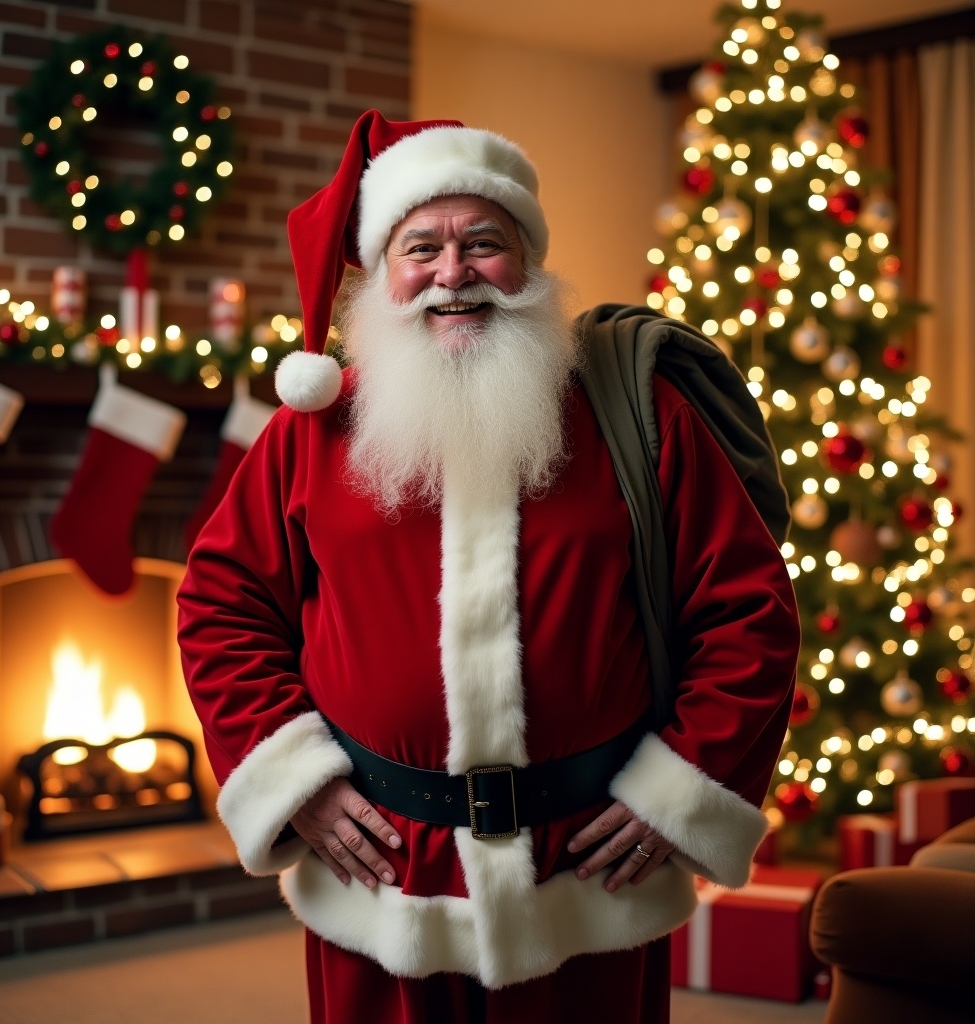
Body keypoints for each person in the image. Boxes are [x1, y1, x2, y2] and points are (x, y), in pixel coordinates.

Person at [177, 110, 801, 1024]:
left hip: (588, 872)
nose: (454, 272)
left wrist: (678, 793)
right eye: (420, 246)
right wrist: (294, 782)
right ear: (382, 274)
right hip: (385, 877)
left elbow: (749, 612)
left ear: (531, 260)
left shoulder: (641, 414)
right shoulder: (309, 431)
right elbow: (220, 604)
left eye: (485, 242)